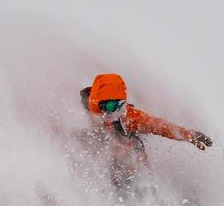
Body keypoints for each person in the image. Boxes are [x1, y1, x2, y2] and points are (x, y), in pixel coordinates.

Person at [79, 73, 212, 187]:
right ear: (97, 102)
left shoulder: (127, 117)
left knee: (132, 146)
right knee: (97, 146)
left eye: (119, 105)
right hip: (97, 162)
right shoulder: (77, 114)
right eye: (110, 105)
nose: (115, 110)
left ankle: (142, 183)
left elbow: (158, 125)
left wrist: (189, 135)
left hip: (126, 167)